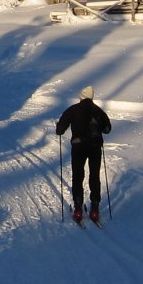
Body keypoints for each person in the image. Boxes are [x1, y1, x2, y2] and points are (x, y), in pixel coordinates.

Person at [55, 86, 111, 224]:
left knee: (78, 175)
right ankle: (95, 208)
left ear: (81, 96)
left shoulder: (73, 109)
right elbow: (107, 129)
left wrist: (60, 128)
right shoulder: (98, 111)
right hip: (95, 146)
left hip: (78, 146)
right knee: (94, 175)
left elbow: (60, 130)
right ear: (91, 97)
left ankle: (78, 208)